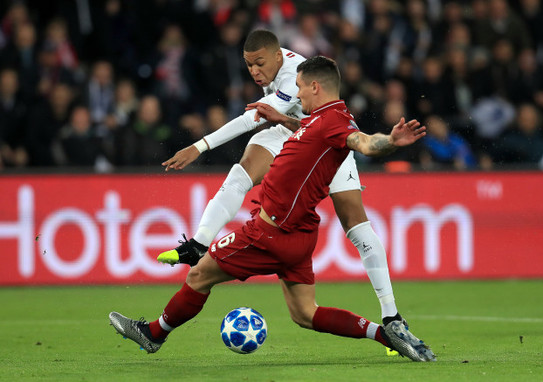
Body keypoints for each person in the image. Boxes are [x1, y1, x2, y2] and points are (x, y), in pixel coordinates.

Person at [109, 56, 435, 362]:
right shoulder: (321, 120)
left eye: (300, 87)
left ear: (315, 87)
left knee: (198, 275)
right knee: (305, 314)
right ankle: (385, 335)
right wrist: (284, 119)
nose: (297, 92)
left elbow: (363, 142)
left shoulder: (336, 122)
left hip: (269, 233)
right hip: (300, 234)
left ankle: (153, 334)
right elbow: (315, 135)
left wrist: (389, 142)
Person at [159, 30, 406, 330]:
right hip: (290, 130)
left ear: (277, 56)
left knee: (356, 225)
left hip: (327, 141)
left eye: (259, 64)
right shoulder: (278, 65)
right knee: (241, 172)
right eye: (248, 65)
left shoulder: (293, 77)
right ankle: (199, 244)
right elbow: (283, 119)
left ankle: (391, 314)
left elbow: (252, 119)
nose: (254, 72)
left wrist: (200, 146)